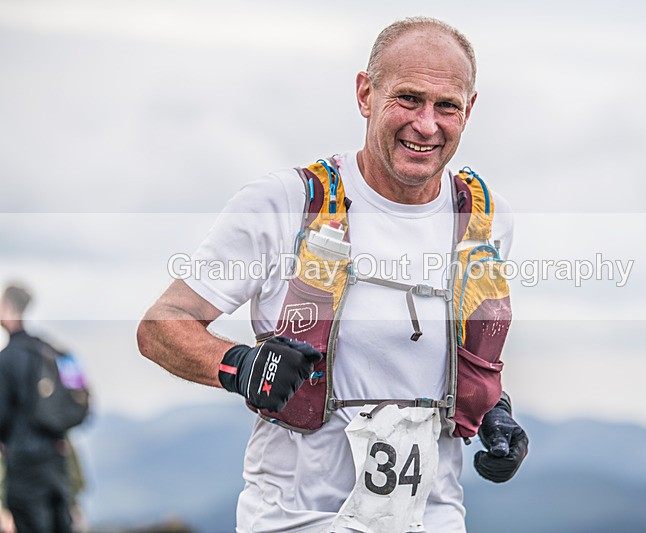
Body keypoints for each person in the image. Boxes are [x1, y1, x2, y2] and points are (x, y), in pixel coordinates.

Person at [137, 17, 528, 532]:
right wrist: (239, 365)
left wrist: (496, 410)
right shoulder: (283, 204)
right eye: (408, 99)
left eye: (447, 106)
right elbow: (161, 325)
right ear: (366, 93)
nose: (427, 124)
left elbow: (430, 358)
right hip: (297, 521)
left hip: (432, 519)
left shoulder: (482, 217)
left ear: (469, 109)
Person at [0, 285, 73, 532]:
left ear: (9, 308)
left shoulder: (7, 358)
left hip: (24, 462)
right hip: (57, 460)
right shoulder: (48, 350)